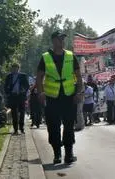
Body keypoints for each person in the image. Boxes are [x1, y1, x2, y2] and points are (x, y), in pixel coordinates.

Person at [36, 30, 83, 164]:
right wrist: (40, 93)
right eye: (59, 39)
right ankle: (57, 153)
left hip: (69, 97)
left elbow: (78, 76)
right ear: (53, 41)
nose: (62, 41)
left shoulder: (70, 55)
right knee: (53, 126)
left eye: (63, 39)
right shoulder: (45, 57)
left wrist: (79, 92)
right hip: (52, 98)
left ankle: (69, 153)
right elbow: (39, 77)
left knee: (69, 125)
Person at [4, 62, 29, 134]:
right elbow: (5, 86)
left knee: (22, 112)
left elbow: (27, 86)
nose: (14, 69)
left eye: (16, 68)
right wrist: (8, 93)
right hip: (13, 96)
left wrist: (23, 90)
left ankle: (21, 128)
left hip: (21, 96)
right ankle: (15, 129)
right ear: (11, 69)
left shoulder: (23, 76)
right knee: (14, 113)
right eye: (13, 68)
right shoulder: (9, 76)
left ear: (19, 68)